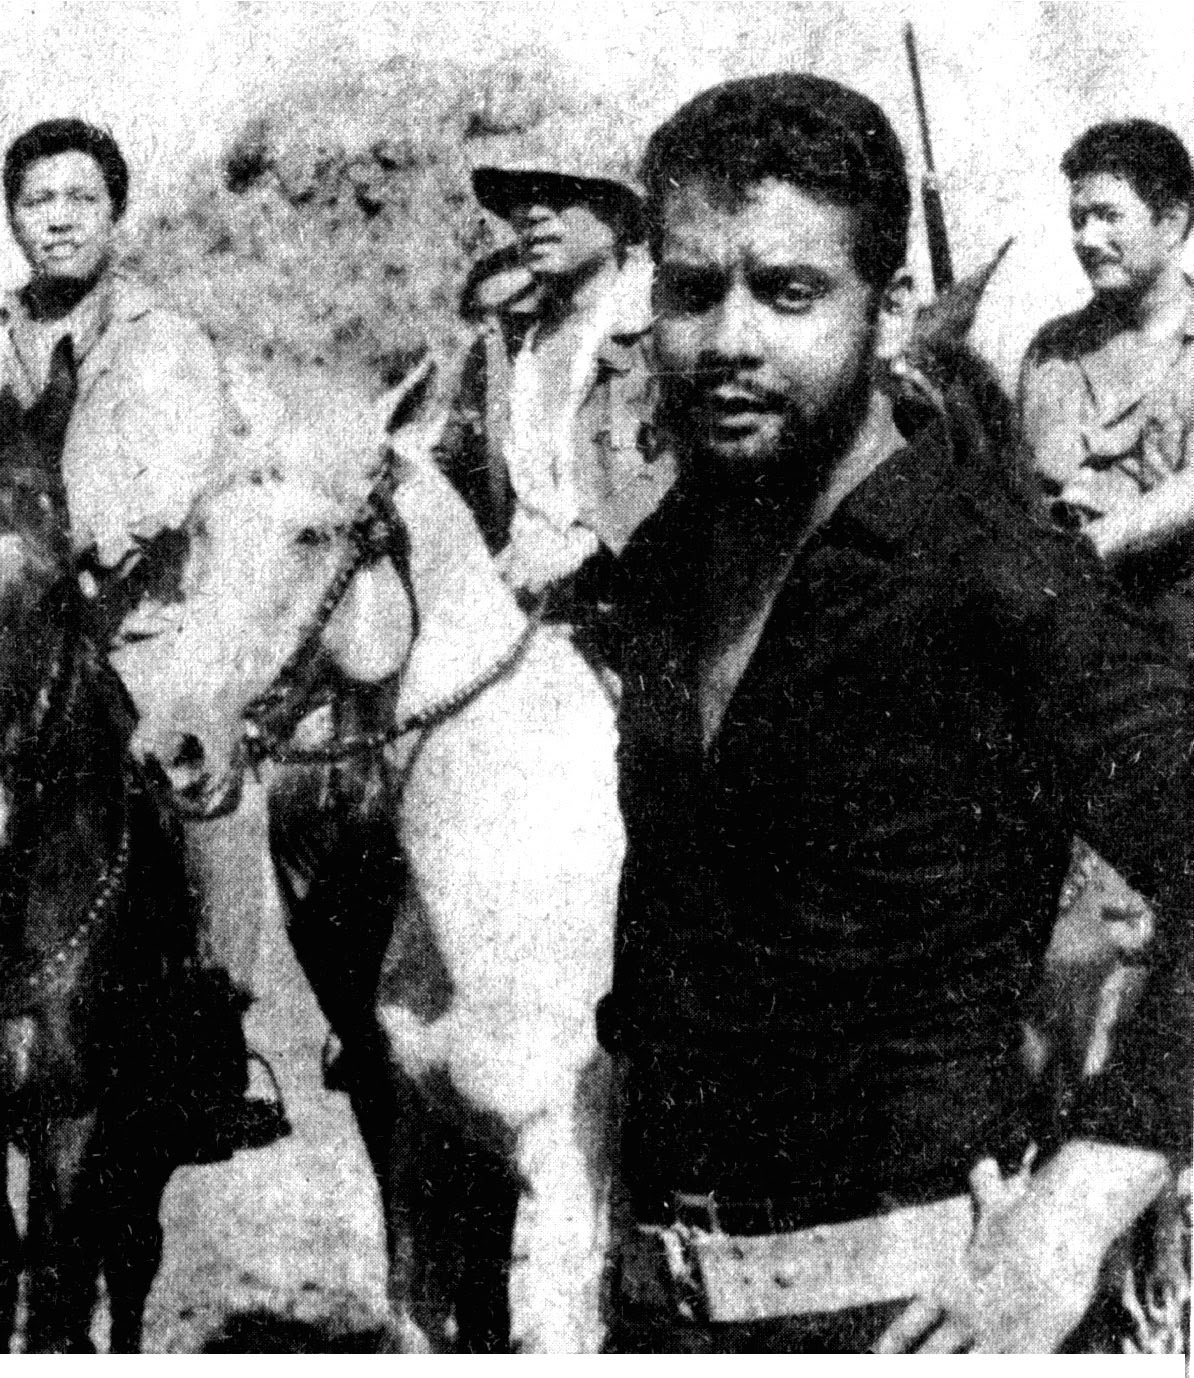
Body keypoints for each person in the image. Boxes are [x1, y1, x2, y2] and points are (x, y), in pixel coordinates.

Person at [595, 74, 1193, 1353]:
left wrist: (1078, 1207)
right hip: (660, 1314)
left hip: (917, 1320)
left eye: (788, 292)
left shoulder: (991, 572)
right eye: (692, 291)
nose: (730, 339)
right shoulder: (663, 565)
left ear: (892, 308)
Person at [0, 118, 288, 1162]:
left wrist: (76, 546)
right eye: (38, 201)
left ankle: (215, 1027)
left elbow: (169, 483)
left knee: (214, 792)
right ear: (13, 219)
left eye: (81, 198)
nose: (60, 219)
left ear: (115, 213)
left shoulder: (164, 340)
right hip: (11, 622)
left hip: (132, 625)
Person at [1019, 117, 1194, 1351]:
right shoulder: (1051, 352)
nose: (1086, 236)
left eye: (1109, 214)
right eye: (1076, 214)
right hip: (1075, 663)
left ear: (1176, 222)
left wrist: (1105, 536)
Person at [435, 114, 674, 658]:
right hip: (517, 620)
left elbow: (696, 468)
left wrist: (590, 542)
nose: (534, 214)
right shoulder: (502, 346)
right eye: (520, 200)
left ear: (620, 214)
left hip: (641, 622)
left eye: (561, 195)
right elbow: (454, 468)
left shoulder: (664, 333)